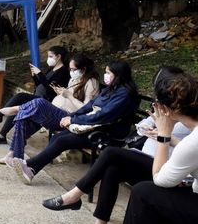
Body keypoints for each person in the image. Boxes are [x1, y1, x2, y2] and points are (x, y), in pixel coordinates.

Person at [43, 66, 190, 224]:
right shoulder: (166, 105)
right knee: (112, 168)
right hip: (143, 156)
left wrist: (166, 136)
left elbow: (189, 149)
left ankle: (74, 195)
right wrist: (149, 129)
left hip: (163, 167)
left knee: (112, 153)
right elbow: (145, 123)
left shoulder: (185, 114)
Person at [110, 72, 198, 224]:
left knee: (144, 193)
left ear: (167, 109)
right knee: (145, 192)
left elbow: (159, 178)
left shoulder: (193, 140)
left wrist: (164, 134)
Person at [11, 60, 139, 185]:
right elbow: (89, 106)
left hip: (107, 134)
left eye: (108, 73)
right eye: (105, 72)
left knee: (62, 141)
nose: (105, 76)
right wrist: (71, 116)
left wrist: (73, 120)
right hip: (95, 127)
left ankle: (28, 165)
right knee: (58, 137)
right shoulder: (111, 88)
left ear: (118, 75)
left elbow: (102, 116)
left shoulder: (124, 94)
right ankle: (31, 170)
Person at [0, 54, 100, 165]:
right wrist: (61, 93)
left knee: (39, 102)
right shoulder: (75, 79)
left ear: (83, 69)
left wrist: (69, 96)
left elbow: (87, 109)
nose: (71, 72)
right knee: (23, 119)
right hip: (58, 113)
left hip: (69, 118)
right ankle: (13, 156)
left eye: (73, 69)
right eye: (70, 69)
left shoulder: (91, 83)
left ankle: (15, 110)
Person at [0, 46, 70, 144]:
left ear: (58, 56)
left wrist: (40, 75)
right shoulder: (52, 69)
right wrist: (35, 76)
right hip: (39, 97)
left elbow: (52, 91)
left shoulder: (63, 72)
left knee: (20, 97)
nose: (48, 59)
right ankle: (1, 135)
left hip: (47, 102)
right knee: (17, 109)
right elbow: (40, 85)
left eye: (50, 56)